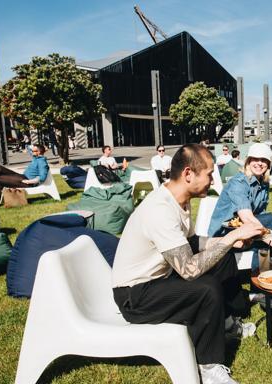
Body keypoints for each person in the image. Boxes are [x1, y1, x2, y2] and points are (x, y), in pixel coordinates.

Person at [112, 144, 262, 384]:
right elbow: (189, 270)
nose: (213, 180)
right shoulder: (159, 209)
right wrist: (232, 236)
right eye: (210, 174)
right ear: (188, 173)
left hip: (160, 278)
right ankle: (209, 366)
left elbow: (191, 242)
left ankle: (226, 323)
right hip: (135, 295)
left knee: (222, 256)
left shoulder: (180, 199)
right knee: (206, 290)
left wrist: (226, 242)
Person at [208, 143, 272, 271]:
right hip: (223, 235)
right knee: (271, 220)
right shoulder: (238, 183)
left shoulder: (263, 183)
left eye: (264, 160)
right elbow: (248, 218)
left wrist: (270, 237)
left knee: (265, 242)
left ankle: (260, 282)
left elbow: (257, 218)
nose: (259, 163)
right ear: (248, 161)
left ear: (269, 164)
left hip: (246, 230)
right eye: (255, 159)